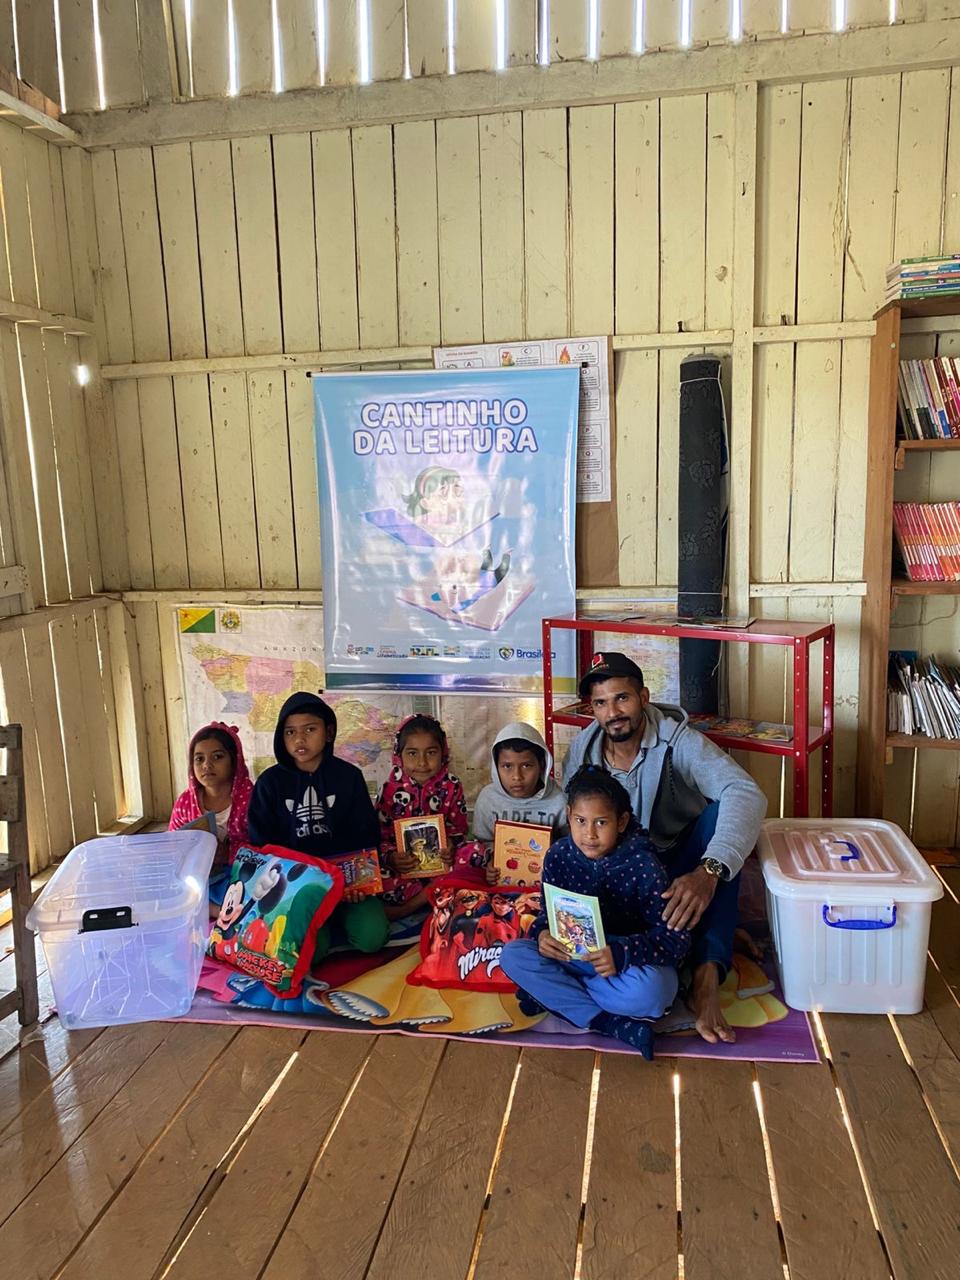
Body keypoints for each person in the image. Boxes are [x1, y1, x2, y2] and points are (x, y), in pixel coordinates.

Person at [564, 651, 767, 1045]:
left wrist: (707, 872)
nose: (612, 713)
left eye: (622, 698)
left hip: (677, 862)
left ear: (644, 697)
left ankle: (706, 978)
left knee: (721, 831)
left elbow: (745, 792)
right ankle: (697, 942)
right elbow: (571, 824)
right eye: (601, 703)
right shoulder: (583, 752)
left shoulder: (679, 742)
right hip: (621, 877)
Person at [499, 768, 690, 1060]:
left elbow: (676, 940)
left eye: (601, 822)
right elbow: (548, 915)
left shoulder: (644, 866)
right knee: (513, 956)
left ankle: (554, 995)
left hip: (624, 969)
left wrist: (621, 953)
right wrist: (542, 934)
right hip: (572, 959)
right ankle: (610, 1023)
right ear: (568, 816)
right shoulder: (558, 856)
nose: (589, 834)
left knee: (655, 991)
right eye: (580, 821)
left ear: (621, 821)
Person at [247, 691, 387, 954]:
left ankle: (337, 918)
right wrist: (288, 888)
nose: (299, 739)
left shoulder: (349, 777)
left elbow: (366, 836)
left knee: (372, 937)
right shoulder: (269, 784)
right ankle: (322, 926)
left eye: (310, 729)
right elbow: (261, 845)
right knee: (311, 951)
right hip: (297, 888)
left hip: (347, 885)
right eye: (290, 732)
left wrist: (359, 883)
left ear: (329, 732)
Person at [376, 713, 477, 918]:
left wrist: (450, 845)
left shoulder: (452, 785)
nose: (422, 762)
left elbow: (459, 830)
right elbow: (380, 836)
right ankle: (438, 896)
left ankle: (411, 906)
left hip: (442, 865)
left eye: (431, 752)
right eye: (412, 753)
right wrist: (392, 858)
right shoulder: (389, 790)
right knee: (376, 873)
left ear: (443, 753)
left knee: (476, 854)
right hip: (406, 868)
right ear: (399, 755)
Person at [169, 722, 252, 867]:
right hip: (198, 873)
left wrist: (228, 854)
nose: (206, 765)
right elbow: (173, 845)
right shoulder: (186, 802)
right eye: (199, 759)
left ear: (235, 761)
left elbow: (264, 845)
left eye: (217, 757)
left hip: (244, 872)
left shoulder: (252, 800)